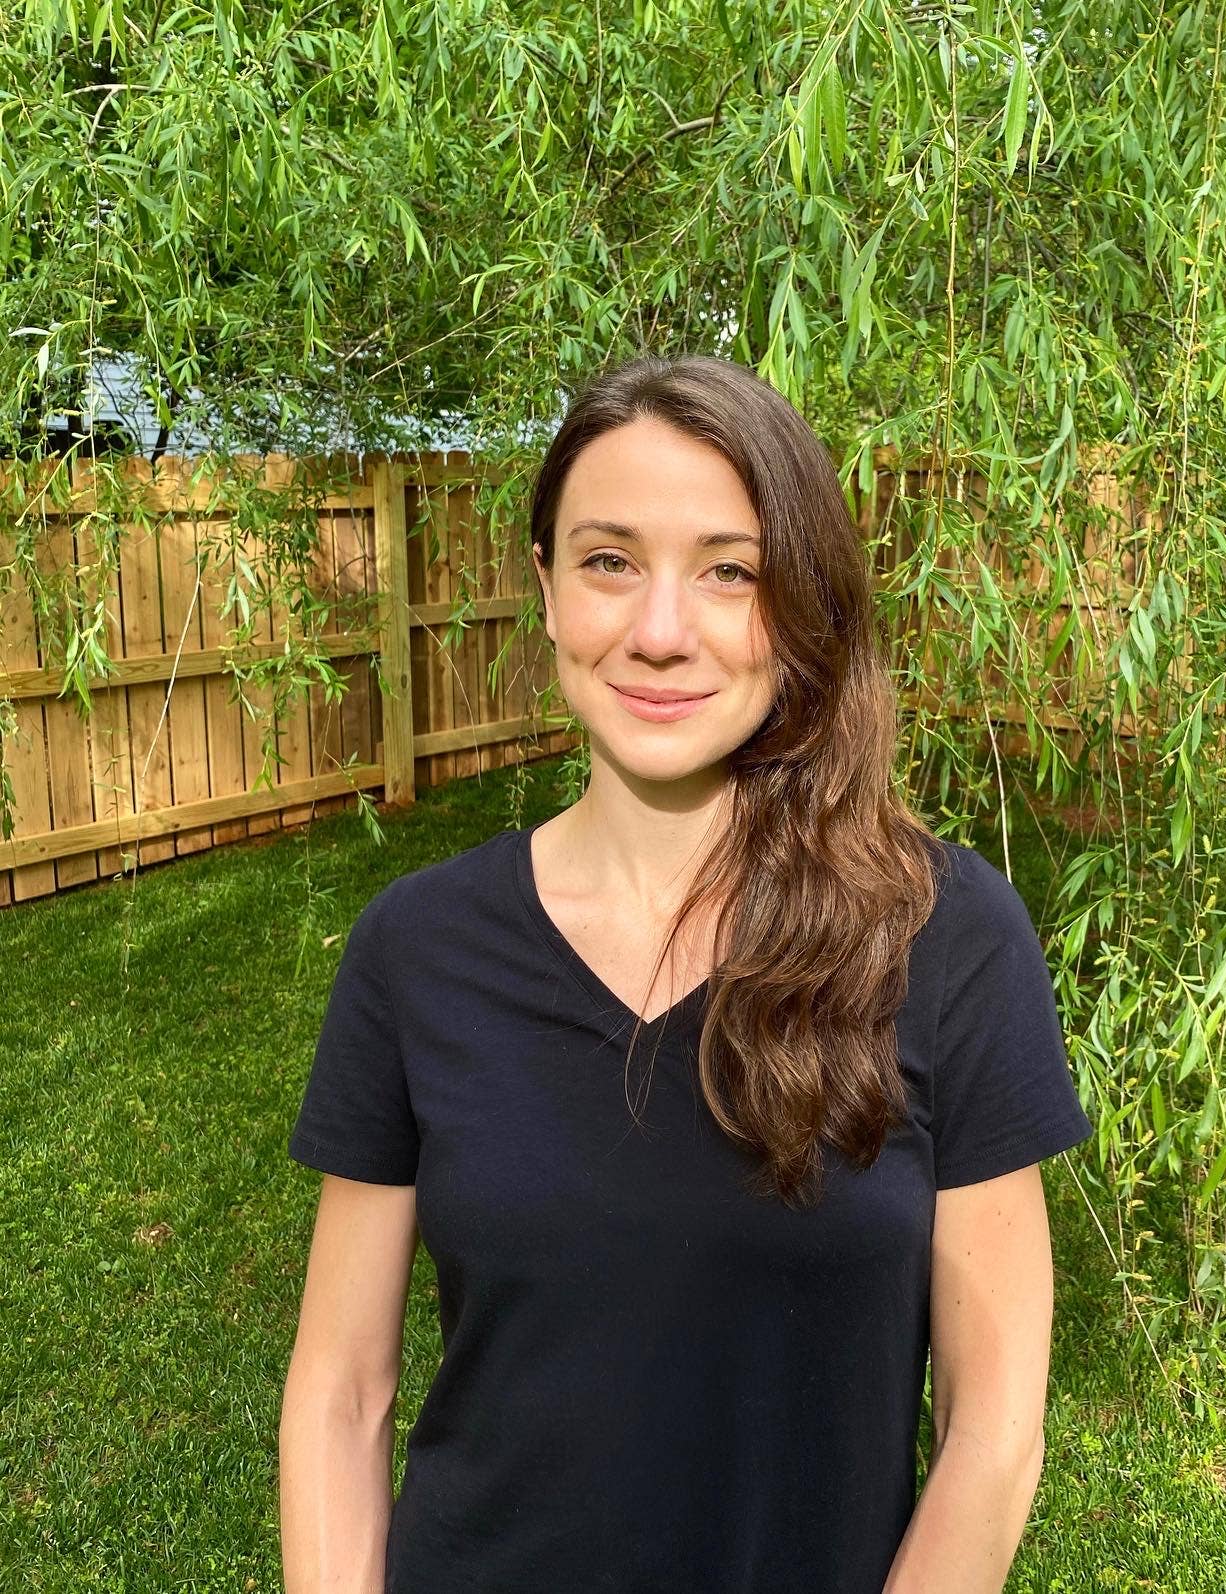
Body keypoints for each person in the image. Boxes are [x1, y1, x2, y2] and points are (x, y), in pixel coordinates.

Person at [277, 354, 1094, 1594]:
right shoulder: (415, 949)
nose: (660, 632)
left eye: (730, 572)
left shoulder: (946, 938)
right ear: (545, 589)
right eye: (609, 561)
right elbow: (341, 1391)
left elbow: (993, 1427)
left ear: (803, 604)